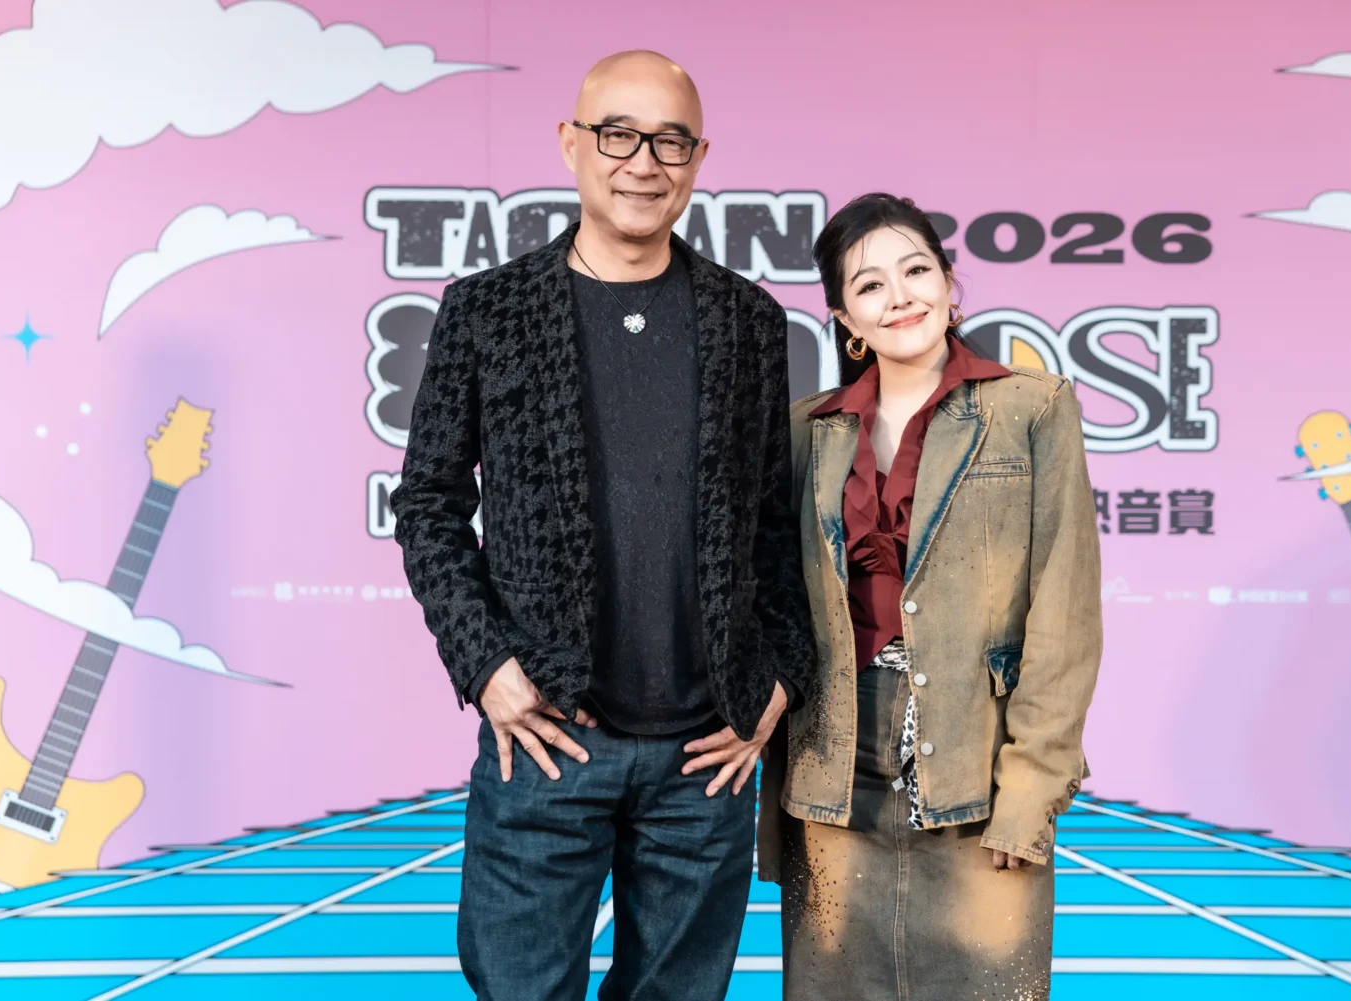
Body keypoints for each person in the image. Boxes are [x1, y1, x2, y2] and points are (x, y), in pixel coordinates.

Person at [391, 50, 815, 1001]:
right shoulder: (488, 311)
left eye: (670, 141)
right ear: (571, 144)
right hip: (547, 735)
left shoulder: (748, 321)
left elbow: (774, 524)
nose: (643, 163)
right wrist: (488, 667)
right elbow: (427, 504)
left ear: (699, 158)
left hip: (706, 757)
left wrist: (776, 684)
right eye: (618, 135)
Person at [757, 193, 1102, 1000]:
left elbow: (1065, 614)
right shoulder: (806, 429)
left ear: (949, 284)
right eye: (870, 285)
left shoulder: (1032, 407)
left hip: (976, 767)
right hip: (833, 769)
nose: (900, 296)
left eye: (915, 270)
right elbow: (769, 596)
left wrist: (1031, 792)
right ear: (846, 318)